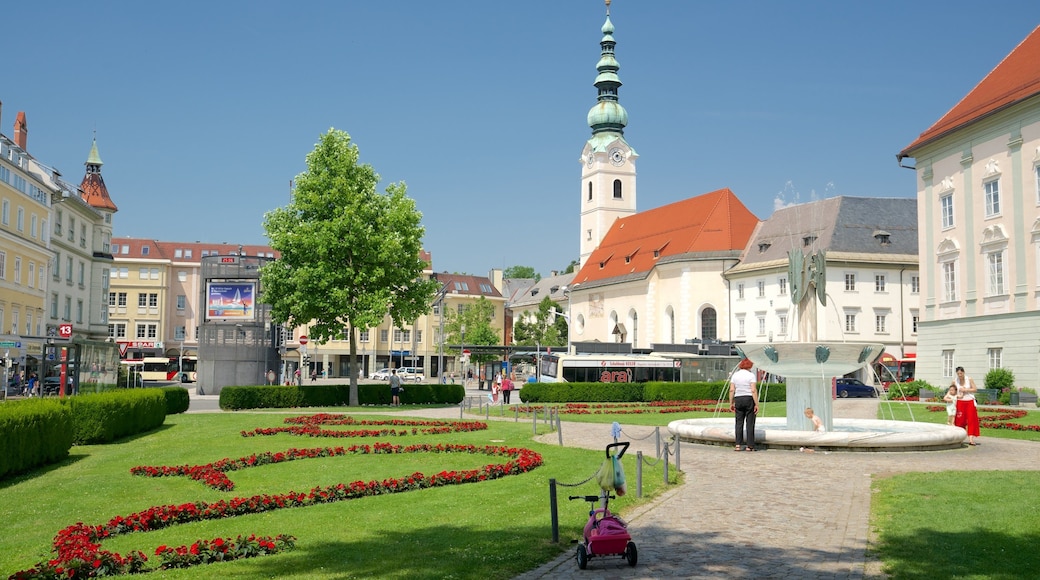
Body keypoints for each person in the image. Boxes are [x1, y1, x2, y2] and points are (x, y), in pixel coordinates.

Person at [728, 358, 759, 452]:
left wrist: (731, 402)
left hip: (738, 398)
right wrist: (756, 404)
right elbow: (753, 390)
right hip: (749, 398)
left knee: (739, 422)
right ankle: (750, 445)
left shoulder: (735, 375)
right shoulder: (751, 375)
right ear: (750, 366)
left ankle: (738, 445)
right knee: (750, 423)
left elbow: (731, 390)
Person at [953, 366, 980, 445]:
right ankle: (960, 438)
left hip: (969, 401)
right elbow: (952, 390)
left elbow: (975, 389)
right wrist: (954, 396)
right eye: (958, 374)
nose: (960, 375)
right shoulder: (955, 381)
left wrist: (966, 390)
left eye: (961, 373)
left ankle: (971, 439)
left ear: (964, 372)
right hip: (960, 401)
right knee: (960, 420)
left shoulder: (969, 379)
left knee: (971, 419)